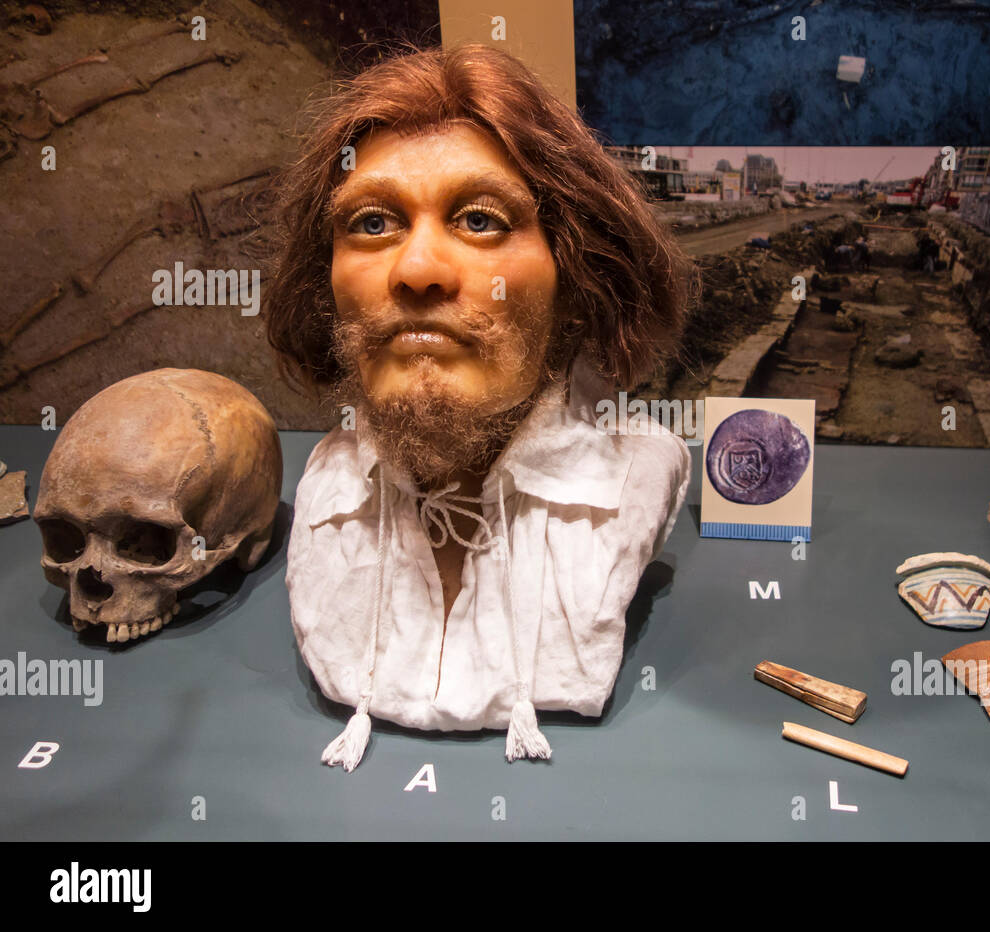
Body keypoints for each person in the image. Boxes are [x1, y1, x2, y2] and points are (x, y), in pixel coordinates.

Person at [264, 44, 696, 770]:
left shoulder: (635, 478)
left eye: (480, 219)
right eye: (372, 223)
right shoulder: (327, 494)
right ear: (326, 282)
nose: (418, 269)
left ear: (574, 270)